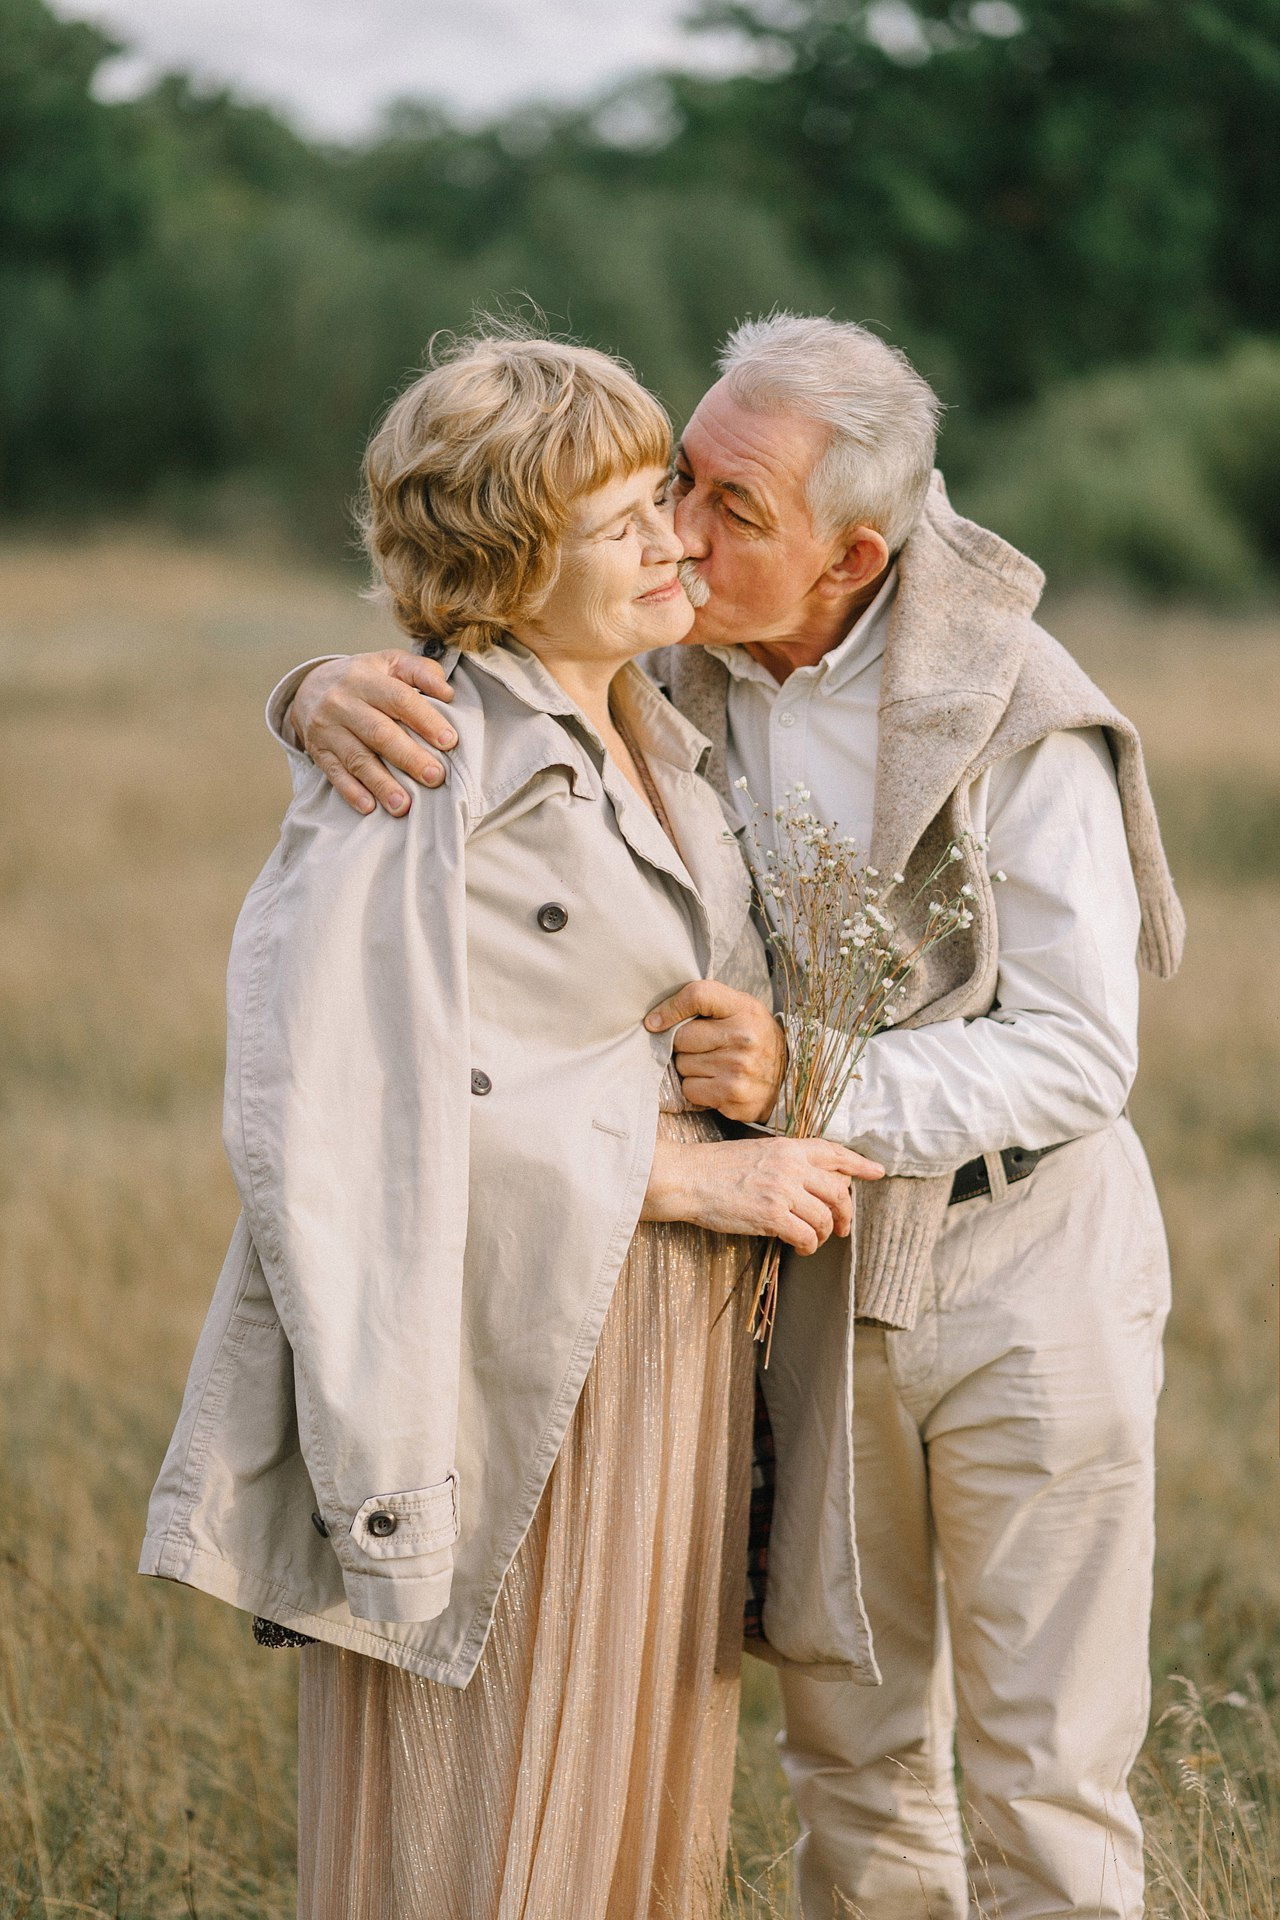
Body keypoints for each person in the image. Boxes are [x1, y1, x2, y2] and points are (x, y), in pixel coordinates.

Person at [279, 313, 1186, 1919]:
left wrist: (810, 1076)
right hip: (810, 1287)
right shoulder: (661, 651)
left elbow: (1077, 1056)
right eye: (679, 480)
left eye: (728, 511)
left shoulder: (1018, 713)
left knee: (1045, 1774)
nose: (678, 532)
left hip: (1020, 1267)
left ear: (849, 555)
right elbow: (476, 626)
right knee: (851, 1754)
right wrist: (311, 691)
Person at [139, 330, 885, 1920]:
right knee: (489, 1819)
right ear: (505, 566)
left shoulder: (655, 715)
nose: (680, 538)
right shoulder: (421, 751)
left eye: (668, 500)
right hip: (512, 1358)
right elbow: (342, 1109)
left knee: (626, 1801)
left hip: (655, 1350)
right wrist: (689, 1182)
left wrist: (753, 1069)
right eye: (627, 525)